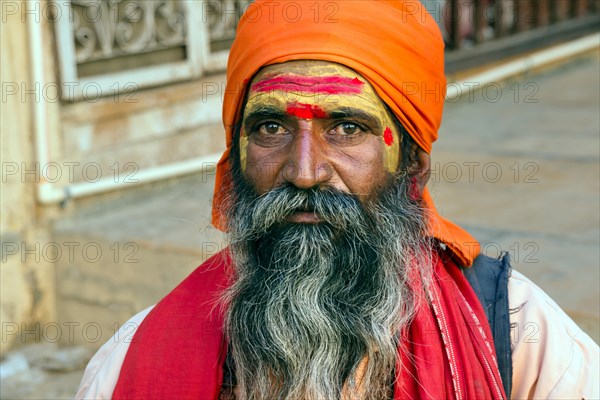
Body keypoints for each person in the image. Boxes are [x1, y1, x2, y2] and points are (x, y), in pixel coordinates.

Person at [76, 1, 599, 399]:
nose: (304, 172)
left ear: (412, 165)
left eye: (347, 127)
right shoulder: (137, 357)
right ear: (234, 158)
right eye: (271, 126)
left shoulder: (516, 335)